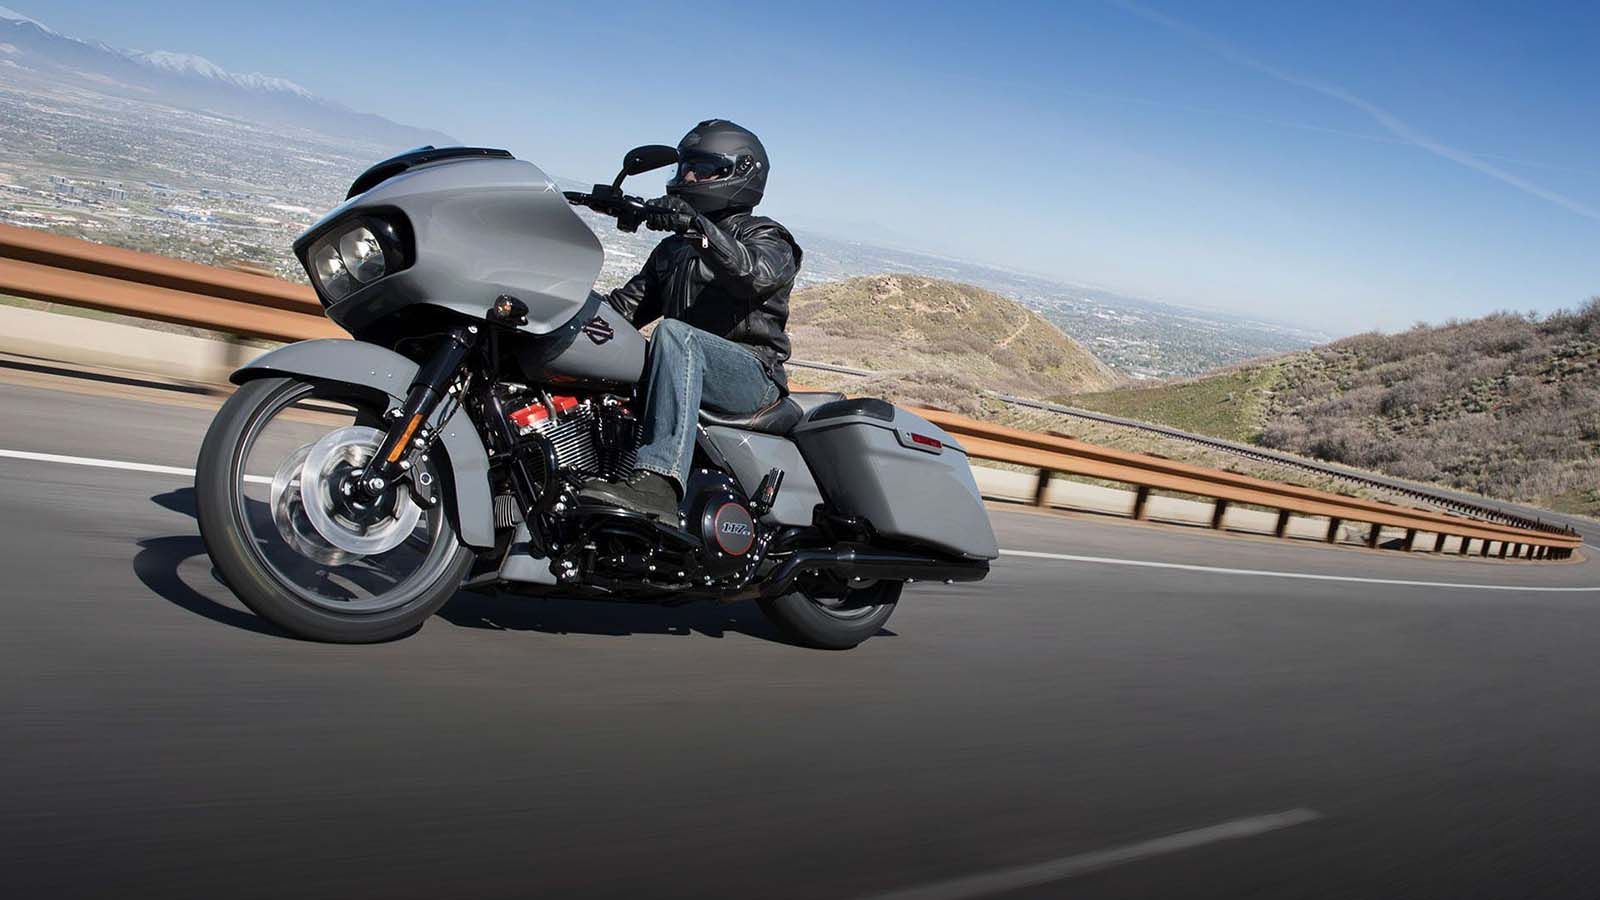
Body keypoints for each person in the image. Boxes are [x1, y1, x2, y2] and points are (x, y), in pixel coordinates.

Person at [580, 119, 801, 519]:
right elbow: (623, 311)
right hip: (685, 363)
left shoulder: (767, 237)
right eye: (684, 167)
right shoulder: (672, 251)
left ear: (739, 172)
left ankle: (658, 485)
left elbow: (754, 275)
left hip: (753, 378)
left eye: (702, 168)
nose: (688, 177)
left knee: (674, 334)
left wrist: (697, 228)